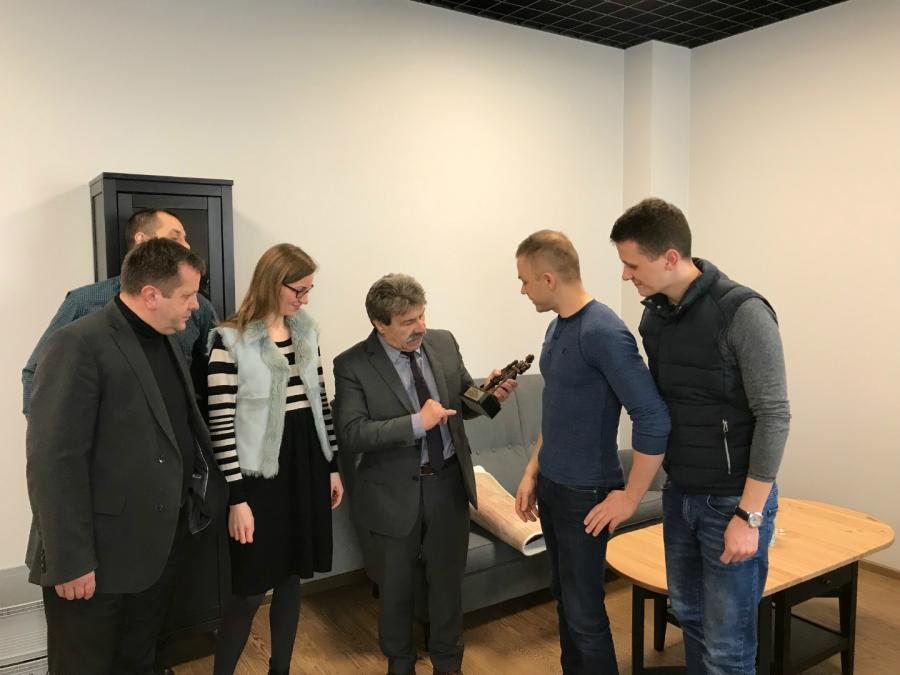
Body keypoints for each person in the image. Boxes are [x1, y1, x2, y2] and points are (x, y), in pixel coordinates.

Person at [610, 198, 790, 675]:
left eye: (633, 265)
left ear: (670, 257)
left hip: (731, 501)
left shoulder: (743, 312)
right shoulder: (654, 318)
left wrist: (749, 516)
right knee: (689, 620)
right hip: (680, 495)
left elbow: (774, 415)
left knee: (728, 648)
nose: (625, 276)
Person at [25, 238, 222, 673]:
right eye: (187, 295)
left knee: (138, 661)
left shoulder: (167, 340)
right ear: (151, 294)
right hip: (95, 560)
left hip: (154, 550)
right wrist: (71, 561)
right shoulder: (78, 344)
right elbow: (54, 462)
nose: (195, 306)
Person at [332, 273, 516, 675]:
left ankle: (449, 666)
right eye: (408, 322)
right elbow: (351, 433)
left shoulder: (443, 342)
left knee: (448, 587)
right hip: (392, 495)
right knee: (396, 591)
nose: (420, 327)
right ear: (379, 324)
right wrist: (417, 422)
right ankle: (400, 665)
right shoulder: (352, 365)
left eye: (421, 315)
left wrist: (490, 396)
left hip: (448, 485)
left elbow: (461, 402)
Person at [512, 230, 671, 674]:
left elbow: (653, 416)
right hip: (553, 486)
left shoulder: (604, 331)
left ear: (548, 279)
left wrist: (630, 497)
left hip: (586, 494)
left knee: (584, 614)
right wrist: (532, 470)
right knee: (565, 602)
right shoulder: (556, 326)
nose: (522, 289)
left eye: (524, 280)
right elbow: (557, 410)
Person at [206, 243, 344, 675]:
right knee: (249, 590)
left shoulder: (307, 333)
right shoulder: (229, 340)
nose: (304, 300)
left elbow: (320, 403)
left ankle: (279, 669)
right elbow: (220, 425)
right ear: (272, 282)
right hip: (257, 477)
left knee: (291, 578)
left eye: (308, 291)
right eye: (298, 290)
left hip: (306, 464)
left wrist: (332, 465)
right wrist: (236, 497)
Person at [22, 208, 217, 416]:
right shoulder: (84, 302)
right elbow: (37, 371)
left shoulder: (199, 307)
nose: (186, 246)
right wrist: (51, 427)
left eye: (185, 239)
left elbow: (214, 376)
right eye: (175, 238)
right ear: (142, 241)